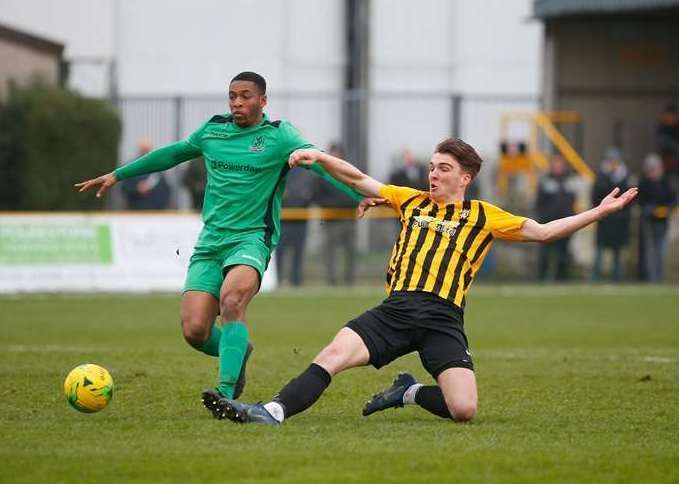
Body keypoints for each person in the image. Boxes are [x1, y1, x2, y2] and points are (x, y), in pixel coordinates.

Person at [210, 137, 637, 425]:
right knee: (334, 353)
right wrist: (319, 157)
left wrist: (598, 213)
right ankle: (270, 410)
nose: (433, 174)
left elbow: (544, 232)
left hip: (442, 320)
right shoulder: (409, 200)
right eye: (432, 167)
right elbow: (360, 179)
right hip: (396, 310)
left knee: (465, 409)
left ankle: (408, 392)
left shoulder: (485, 216)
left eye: (443, 169)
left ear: (464, 178)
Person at [75, 71, 362, 413]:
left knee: (232, 300)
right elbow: (171, 154)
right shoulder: (212, 131)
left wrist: (358, 194)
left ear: (263, 101)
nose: (237, 103)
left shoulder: (279, 136)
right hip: (211, 242)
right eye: (232, 97)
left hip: (252, 238)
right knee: (195, 330)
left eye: (245, 96)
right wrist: (118, 174)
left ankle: (225, 394)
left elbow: (322, 165)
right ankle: (238, 348)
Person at [314, 143, 357, 286]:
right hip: (330, 221)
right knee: (330, 253)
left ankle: (349, 280)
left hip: (348, 219)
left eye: (338, 153)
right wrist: (336, 204)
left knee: (350, 252)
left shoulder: (349, 172)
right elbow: (317, 196)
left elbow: (356, 193)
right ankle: (331, 280)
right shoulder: (322, 174)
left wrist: (342, 203)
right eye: (333, 153)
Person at [535, 154, 578, 281]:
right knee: (545, 253)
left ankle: (562, 278)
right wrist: (543, 218)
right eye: (556, 164)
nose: (558, 167)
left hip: (565, 222)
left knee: (563, 253)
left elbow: (572, 200)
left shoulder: (569, 181)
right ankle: (542, 278)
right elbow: (539, 202)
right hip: (547, 222)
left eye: (560, 165)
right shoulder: (545, 181)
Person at [591, 148, 631, 281]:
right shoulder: (601, 176)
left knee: (617, 250)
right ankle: (596, 277)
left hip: (619, 220)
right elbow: (595, 196)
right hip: (604, 218)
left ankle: (617, 277)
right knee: (600, 249)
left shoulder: (625, 176)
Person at [638, 153, 676, 282]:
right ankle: (649, 277)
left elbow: (672, 199)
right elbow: (640, 200)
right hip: (648, 222)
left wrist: (668, 208)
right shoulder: (644, 182)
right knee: (649, 250)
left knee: (661, 250)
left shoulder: (665, 182)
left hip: (662, 221)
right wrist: (648, 209)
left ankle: (659, 277)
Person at [276, 166, 315, 286]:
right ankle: (278, 279)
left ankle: (296, 280)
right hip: (282, 221)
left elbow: (310, 195)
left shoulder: (306, 172)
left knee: (298, 253)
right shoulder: (281, 170)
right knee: (280, 253)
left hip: (300, 221)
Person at [121, 140, 171, 210]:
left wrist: (161, 205)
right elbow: (124, 187)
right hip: (135, 208)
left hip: (156, 209)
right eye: (143, 150)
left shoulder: (158, 167)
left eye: (147, 151)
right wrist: (137, 188)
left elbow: (165, 189)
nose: (145, 153)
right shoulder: (130, 167)